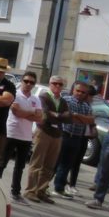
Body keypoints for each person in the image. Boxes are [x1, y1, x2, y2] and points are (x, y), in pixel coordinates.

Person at [24, 75, 73, 204]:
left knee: (49, 165)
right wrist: (59, 115)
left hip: (57, 134)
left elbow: (69, 117)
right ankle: (30, 191)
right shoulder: (44, 97)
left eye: (60, 84)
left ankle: (41, 190)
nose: (57, 86)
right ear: (50, 84)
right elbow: (45, 115)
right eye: (55, 83)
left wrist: (57, 115)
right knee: (36, 163)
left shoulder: (63, 101)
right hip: (43, 131)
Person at [0, 71, 42, 205]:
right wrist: (31, 113)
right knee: (2, 163)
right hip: (11, 133)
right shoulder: (15, 94)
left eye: (31, 82)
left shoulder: (36, 99)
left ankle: (15, 192)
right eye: (26, 81)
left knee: (20, 167)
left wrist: (25, 113)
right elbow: (16, 112)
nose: (28, 84)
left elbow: (39, 117)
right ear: (22, 81)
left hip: (26, 137)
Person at [52, 82, 95, 198]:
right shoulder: (65, 100)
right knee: (55, 163)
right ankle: (43, 186)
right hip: (64, 135)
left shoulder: (86, 106)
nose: (80, 94)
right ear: (73, 90)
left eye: (83, 92)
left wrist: (77, 116)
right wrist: (79, 119)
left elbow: (90, 120)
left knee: (67, 165)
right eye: (78, 91)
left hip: (77, 138)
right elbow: (66, 118)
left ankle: (59, 188)